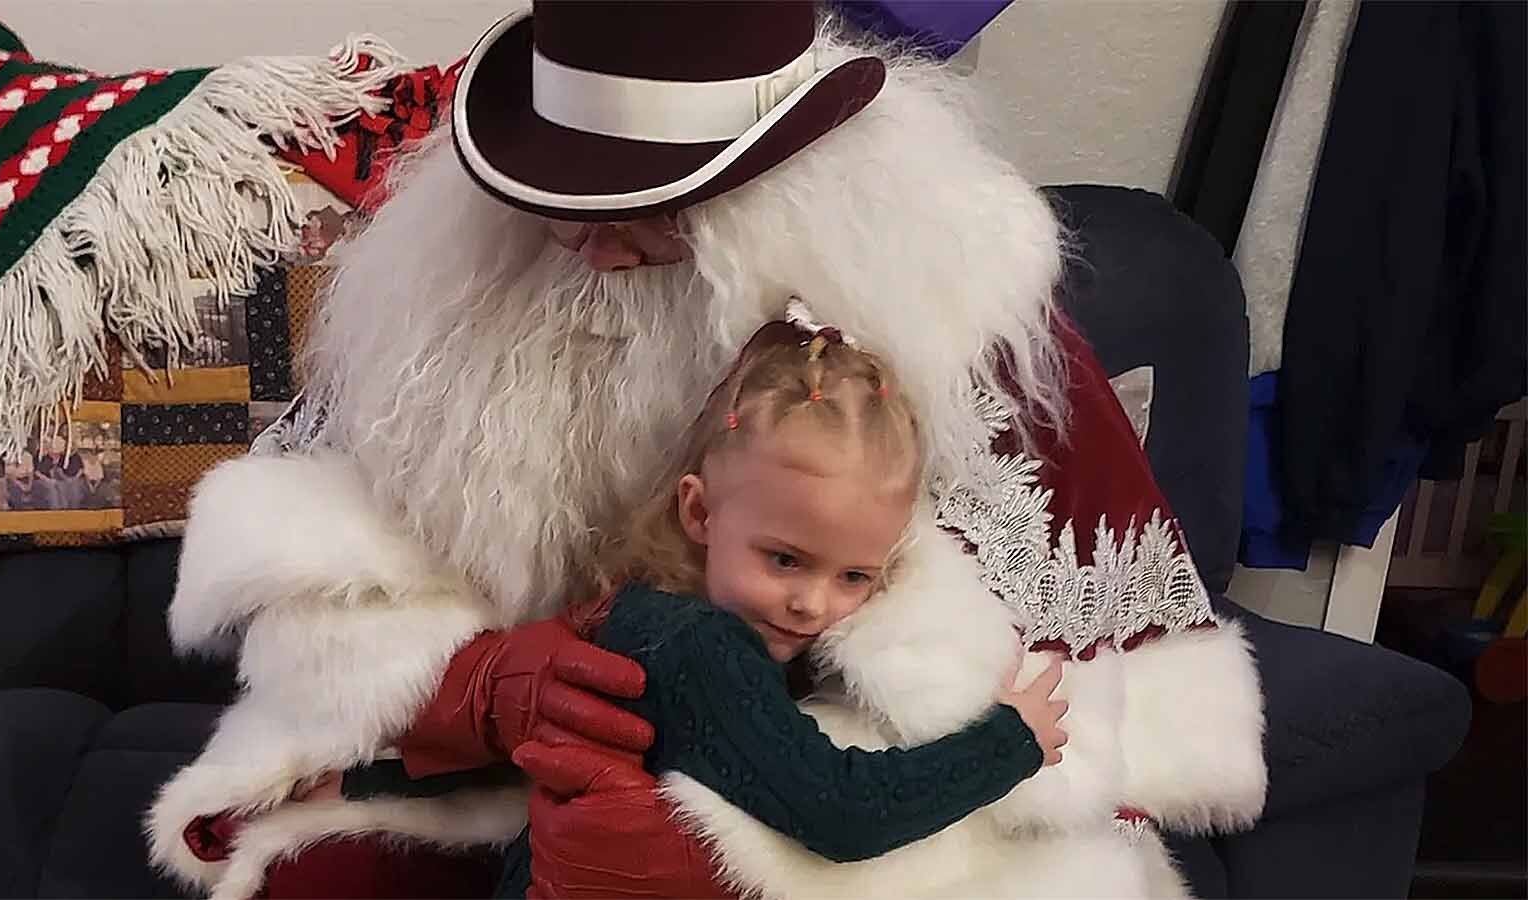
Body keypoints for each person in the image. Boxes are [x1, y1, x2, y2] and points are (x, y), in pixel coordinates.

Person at [148, 3, 1265, 898]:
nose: (593, 245)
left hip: (832, 797)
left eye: (650, 205)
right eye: (557, 197)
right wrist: (478, 687)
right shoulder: (436, 303)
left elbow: (1051, 728)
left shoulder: (967, 335)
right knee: (326, 875)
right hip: (499, 779)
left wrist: (725, 838)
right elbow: (309, 586)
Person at [491, 314, 1069, 895]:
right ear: (699, 513)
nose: (811, 604)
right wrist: (1008, 743)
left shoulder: (652, 608)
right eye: (785, 560)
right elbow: (841, 810)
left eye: (854, 576)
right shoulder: (700, 647)